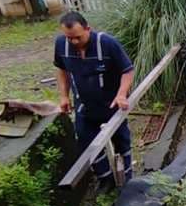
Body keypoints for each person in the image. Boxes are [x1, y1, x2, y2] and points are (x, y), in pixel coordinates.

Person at [54, 11, 135, 192]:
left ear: (88, 29)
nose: (74, 42)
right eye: (69, 38)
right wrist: (64, 96)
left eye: (78, 37)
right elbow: (61, 70)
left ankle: (127, 178)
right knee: (86, 141)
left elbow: (127, 70)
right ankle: (105, 178)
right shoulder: (61, 45)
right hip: (84, 105)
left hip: (112, 104)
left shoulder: (107, 44)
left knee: (121, 141)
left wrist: (122, 94)